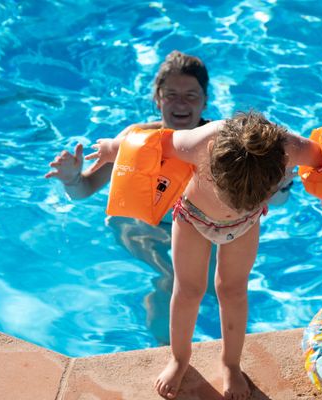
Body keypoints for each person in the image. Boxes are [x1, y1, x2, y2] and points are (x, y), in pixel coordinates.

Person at [85, 111, 322, 399]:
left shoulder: (290, 149)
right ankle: (179, 359)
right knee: (188, 290)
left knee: (232, 291)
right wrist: (111, 148)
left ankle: (231, 365)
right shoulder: (199, 142)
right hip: (192, 217)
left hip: (244, 225)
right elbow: (148, 144)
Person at [44, 50, 213, 344]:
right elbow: (83, 190)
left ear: (205, 100)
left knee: (208, 286)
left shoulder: (217, 143)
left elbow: (271, 200)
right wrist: (71, 178)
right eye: (171, 94)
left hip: (196, 228)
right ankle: (163, 348)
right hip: (139, 227)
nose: (181, 103)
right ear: (157, 98)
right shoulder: (135, 139)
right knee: (173, 281)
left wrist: (280, 186)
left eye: (191, 95)